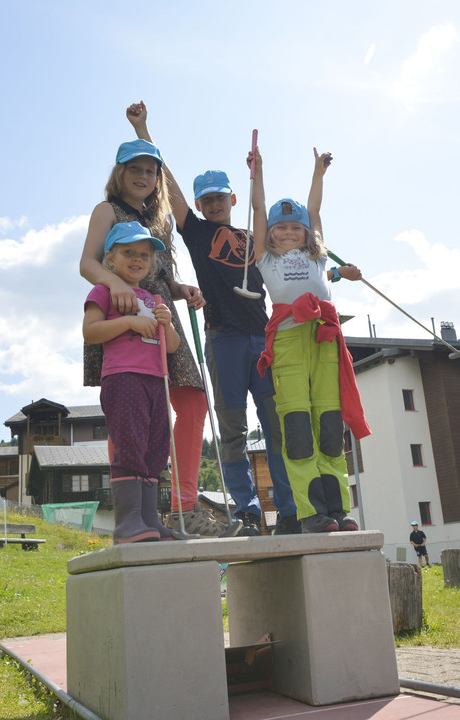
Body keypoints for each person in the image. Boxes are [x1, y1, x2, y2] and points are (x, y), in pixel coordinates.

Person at [127, 101, 296, 535]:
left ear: (231, 198)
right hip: (223, 340)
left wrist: (258, 170)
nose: (213, 204)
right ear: (200, 206)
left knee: (276, 426)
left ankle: (290, 509)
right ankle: (247, 508)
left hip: (263, 340)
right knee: (234, 427)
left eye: (220, 197)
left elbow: (263, 208)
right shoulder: (197, 232)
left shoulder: (254, 237)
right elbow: (170, 186)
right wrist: (144, 129)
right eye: (207, 200)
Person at [79, 132, 215, 535]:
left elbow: (162, 275)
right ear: (119, 173)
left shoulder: (160, 221)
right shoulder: (107, 210)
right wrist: (116, 286)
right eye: (134, 169)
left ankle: (179, 506)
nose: (142, 176)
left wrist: (181, 290)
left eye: (149, 171)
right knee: (129, 413)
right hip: (121, 306)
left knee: (189, 399)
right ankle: (131, 517)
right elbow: (88, 263)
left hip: (160, 314)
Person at [250, 145, 371, 533]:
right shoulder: (265, 259)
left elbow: (315, 210)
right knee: (299, 429)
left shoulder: (317, 257)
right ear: (269, 234)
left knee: (330, 427)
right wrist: (258, 173)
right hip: (287, 343)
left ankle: (337, 511)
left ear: (306, 233)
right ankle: (311, 514)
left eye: (295, 227)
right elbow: (256, 210)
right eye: (280, 228)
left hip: (323, 341)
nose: (288, 232)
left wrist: (318, 174)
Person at [84, 222, 180, 543]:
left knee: (155, 450)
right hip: (123, 378)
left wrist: (166, 324)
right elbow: (90, 331)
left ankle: (150, 521)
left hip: (157, 383)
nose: (137, 259)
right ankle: (127, 523)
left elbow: (172, 346)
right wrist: (129, 322)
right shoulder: (105, 291)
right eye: (128, 252)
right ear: (110, 259)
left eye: (144, 255)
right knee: (130, 446)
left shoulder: (153, 298)